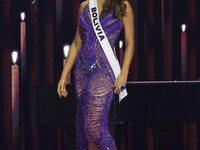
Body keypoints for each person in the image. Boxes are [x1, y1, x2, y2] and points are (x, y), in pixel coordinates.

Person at [57, 0, 134, 149]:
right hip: (81, 71)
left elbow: (130, 42)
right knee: (84, 129)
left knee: (93, 128)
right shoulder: (85, 6)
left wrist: (124, 73)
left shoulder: (123, 5)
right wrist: (64, 74)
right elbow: (76, 43)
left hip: (104, 70)